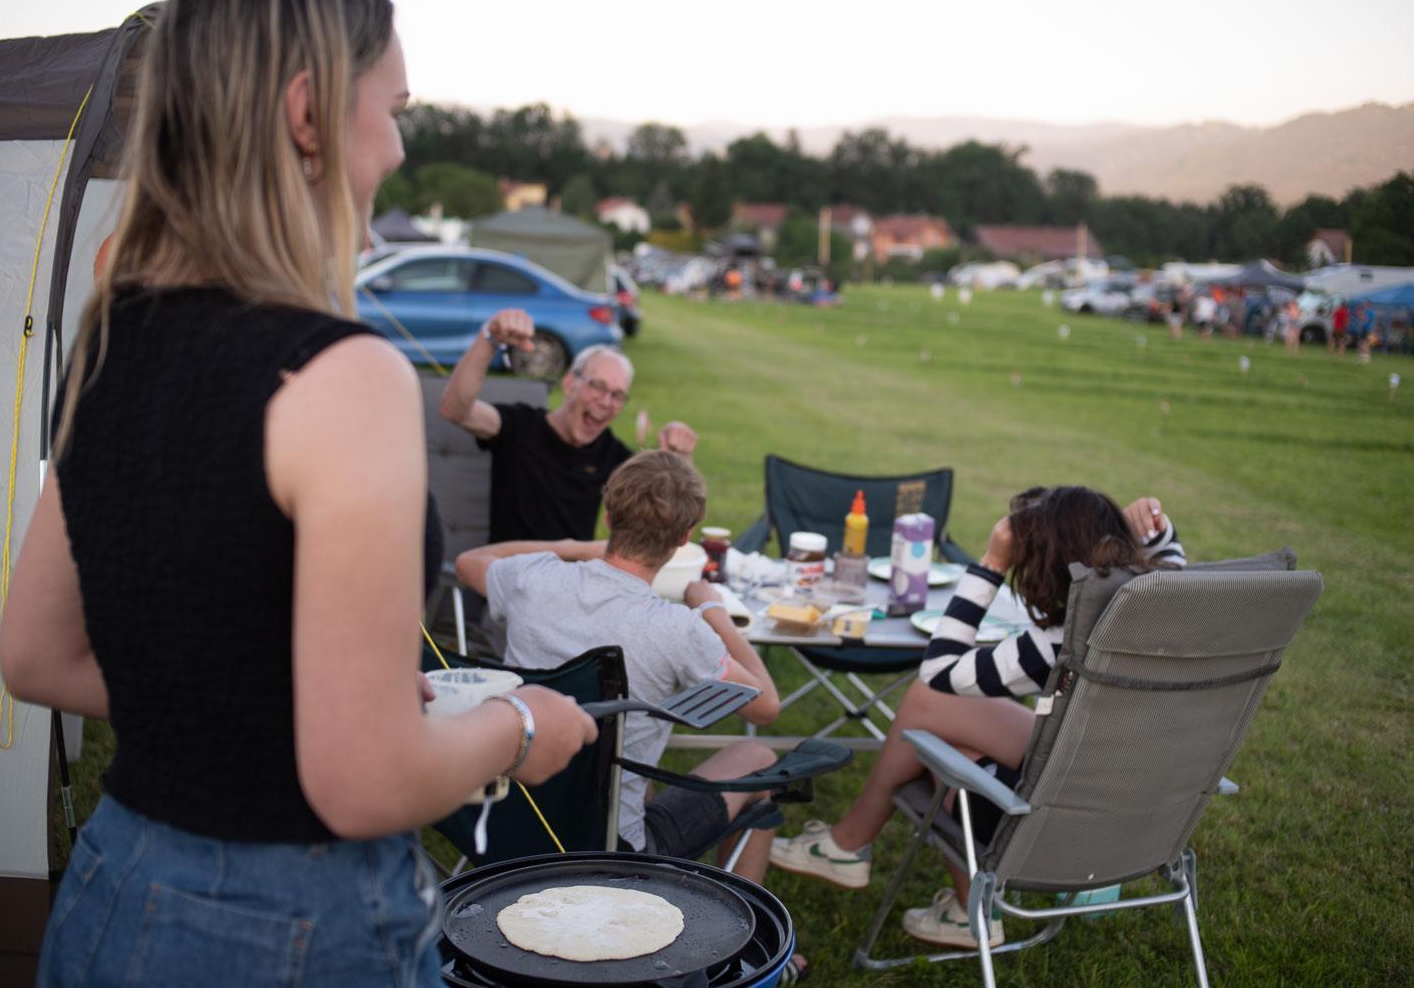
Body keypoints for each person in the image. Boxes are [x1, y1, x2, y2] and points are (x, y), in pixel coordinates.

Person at [0, 0, 596, 984]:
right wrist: (522, 724)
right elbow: (362, 782)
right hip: (291, 928)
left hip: (111, 892)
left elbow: (35, 655)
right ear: (310, 113)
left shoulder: (110, 337)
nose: (400, 149)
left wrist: (316, 703)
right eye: (395, 107)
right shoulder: (337, 372)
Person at [771, 487, 1185, 950]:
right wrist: (1154, 525)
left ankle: (860, 852)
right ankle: (854, 850)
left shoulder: (1056, 643)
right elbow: (1171, 553)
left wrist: (990, 563)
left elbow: (938, 671)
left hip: (1050, 828)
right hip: (1148, 811)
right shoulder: (1164, 604)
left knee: (934, 722)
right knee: (942, 722)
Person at [454, 450, 785, 878]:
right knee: (758, 754)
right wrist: (713, 612)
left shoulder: (535, 580)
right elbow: (767, 704)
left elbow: (469, 562)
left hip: (508, 824)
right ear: (685, 536)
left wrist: (569, 548)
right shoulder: (678, 630)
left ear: (608, 516)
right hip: (612, 847)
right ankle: (753, 936)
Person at [438, 311, 699, 543]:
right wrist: (489, 339)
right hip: (508, 580)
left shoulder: (612, 455)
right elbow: (455, 409)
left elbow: (669, 514)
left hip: (574, 585)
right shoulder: (520, 426)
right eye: (597, 386)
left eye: (617, 395)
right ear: (569, 384)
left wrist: (681, 455)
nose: (606, 402)